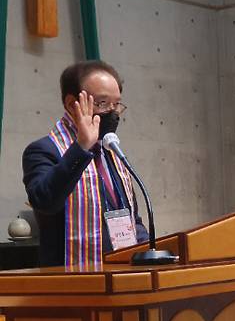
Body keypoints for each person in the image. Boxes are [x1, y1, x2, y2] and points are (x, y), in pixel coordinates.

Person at [22, 60, 148, 267]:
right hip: (72, 280)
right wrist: (81, 147)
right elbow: (45, 202)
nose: (113, 112)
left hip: (123, 272)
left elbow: (132, 218)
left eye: (117, 104)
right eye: (102, 103)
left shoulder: (111, 151)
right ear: (72, 104)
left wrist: (147, 253)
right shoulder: (44, 150)